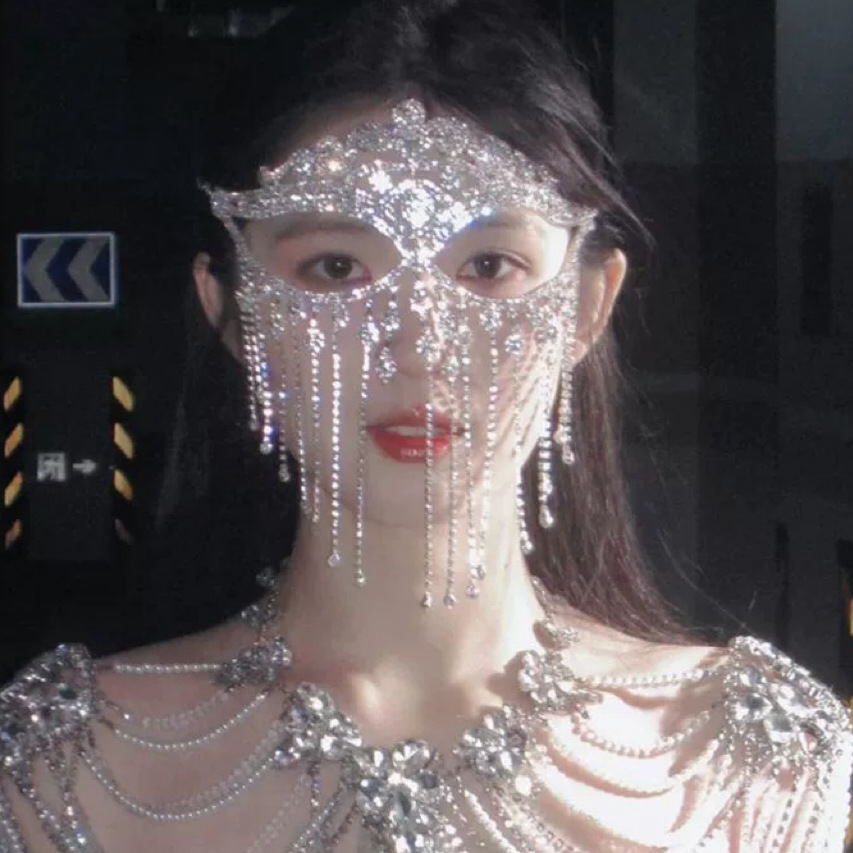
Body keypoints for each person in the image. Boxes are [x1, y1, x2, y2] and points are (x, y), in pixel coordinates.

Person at [1, 1, 851, 850]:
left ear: (588, 305)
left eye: (488, 265)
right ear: (228, 306)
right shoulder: (62, 769)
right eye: (336, 267)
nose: (416, 346)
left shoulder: (747, 763)